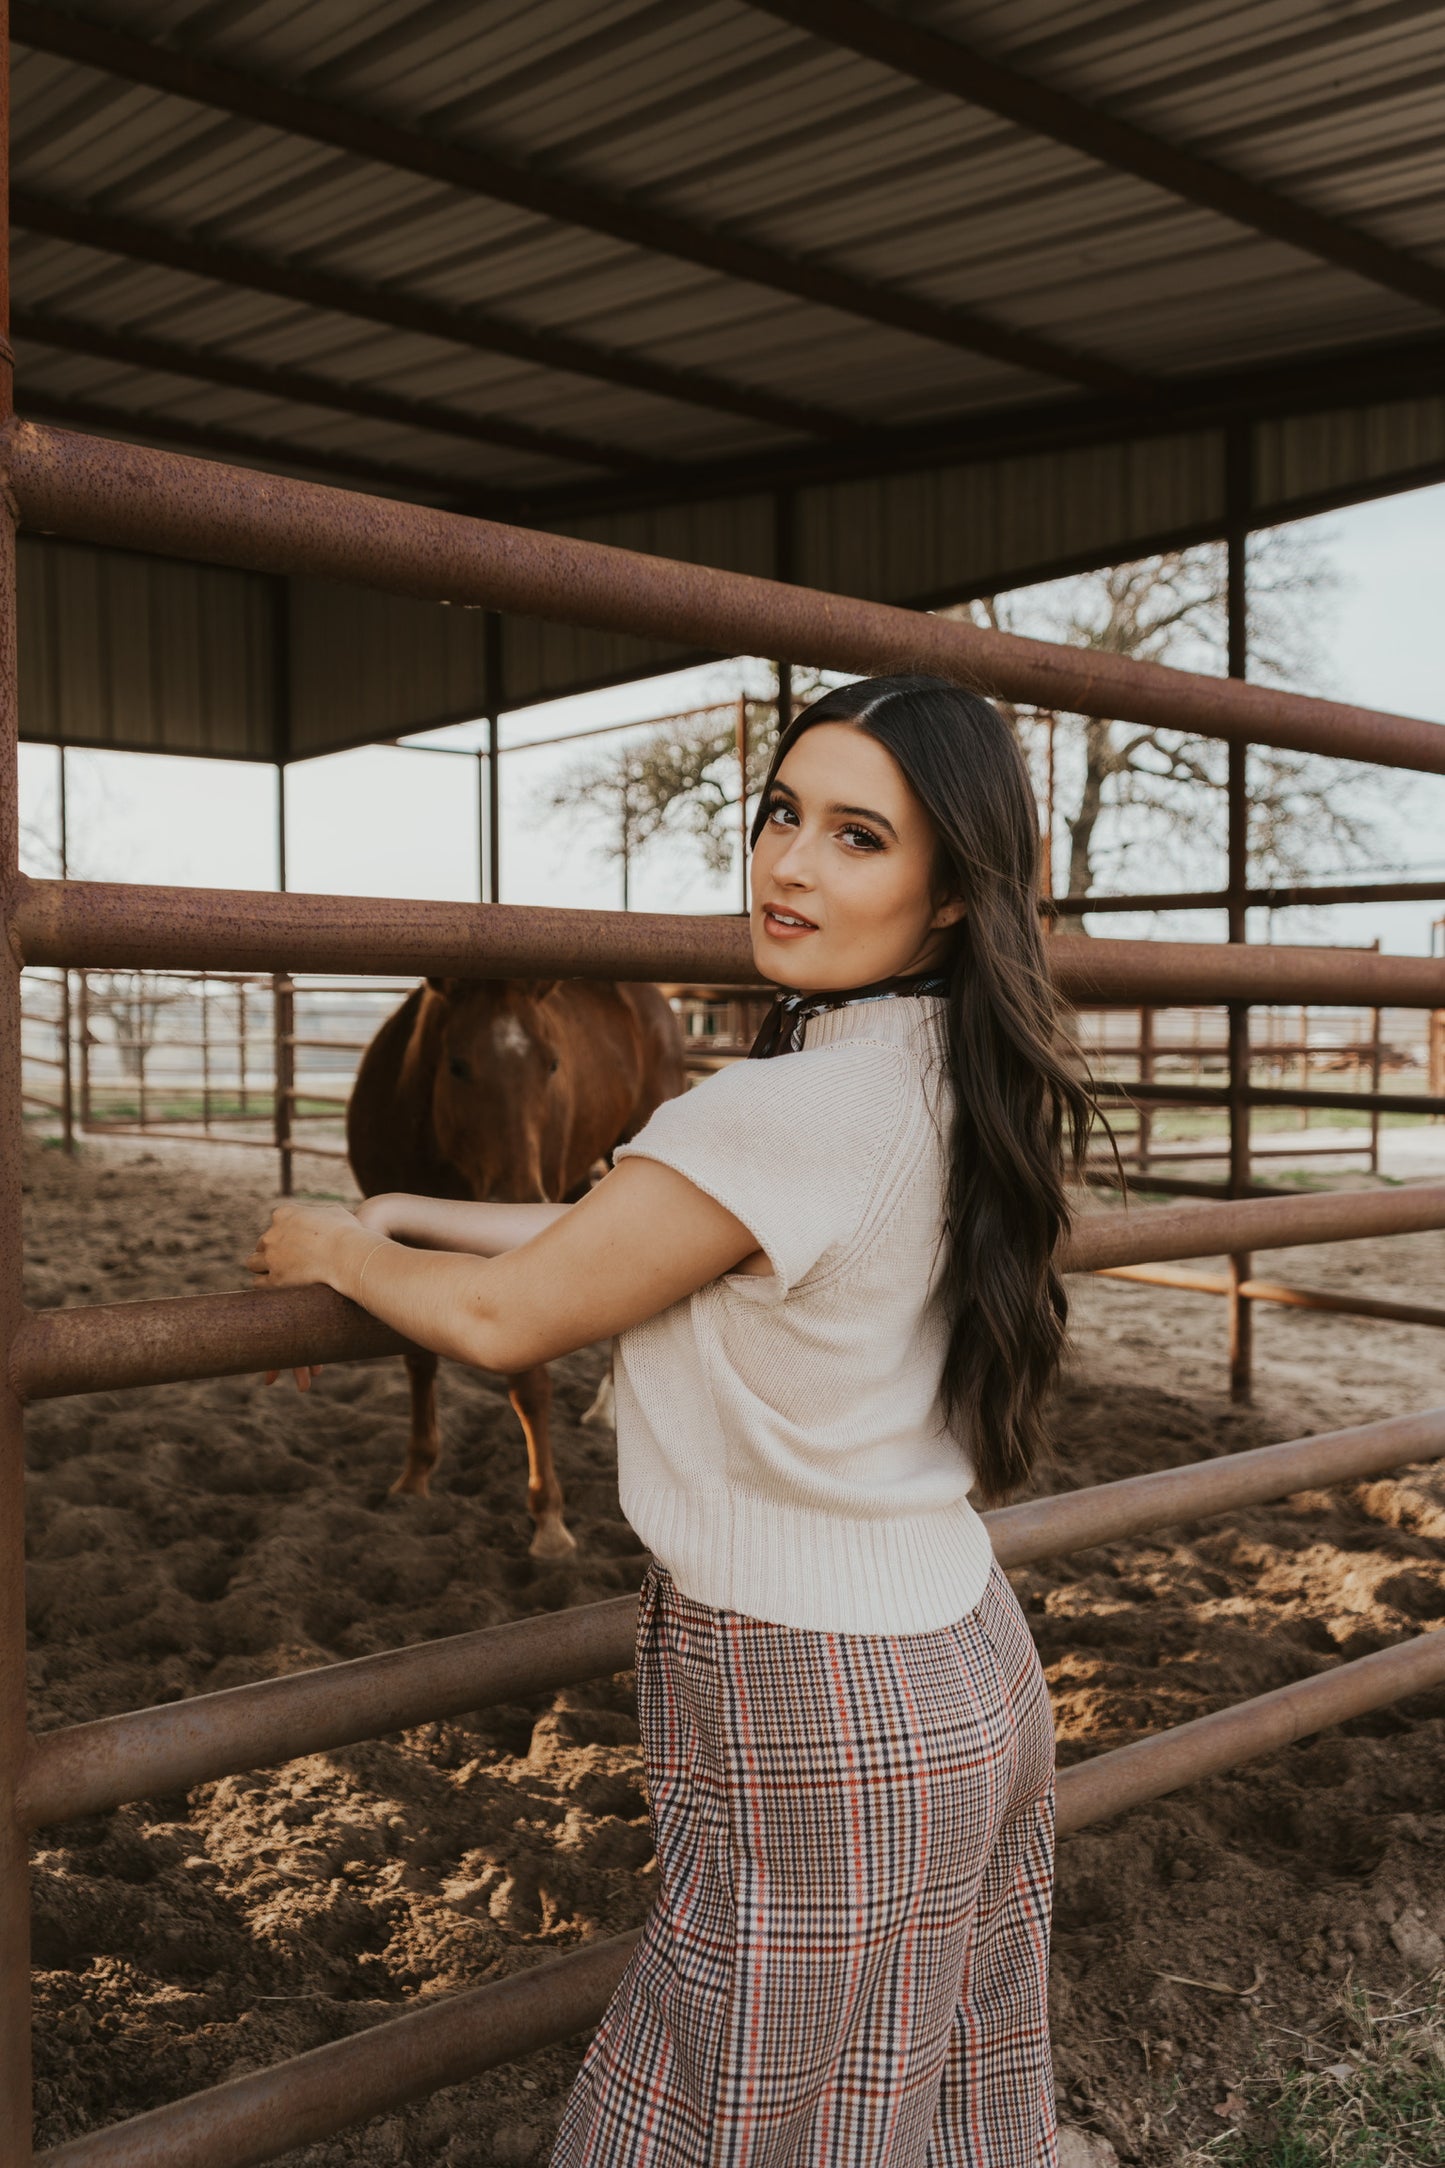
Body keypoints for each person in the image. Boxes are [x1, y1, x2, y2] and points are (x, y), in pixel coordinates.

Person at [246, 674, 1098, 2166]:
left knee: (700, 2133)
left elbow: (512, 1318)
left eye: (856, 838)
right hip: (965, 1659)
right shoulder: (945, 1075)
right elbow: (623, 1230)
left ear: (952, 889)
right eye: (781, 814)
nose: (788, 864)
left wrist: (338, 1253)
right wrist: (401, 1205)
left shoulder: (776, 1112)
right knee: (923, 2114)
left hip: (818, 1703)